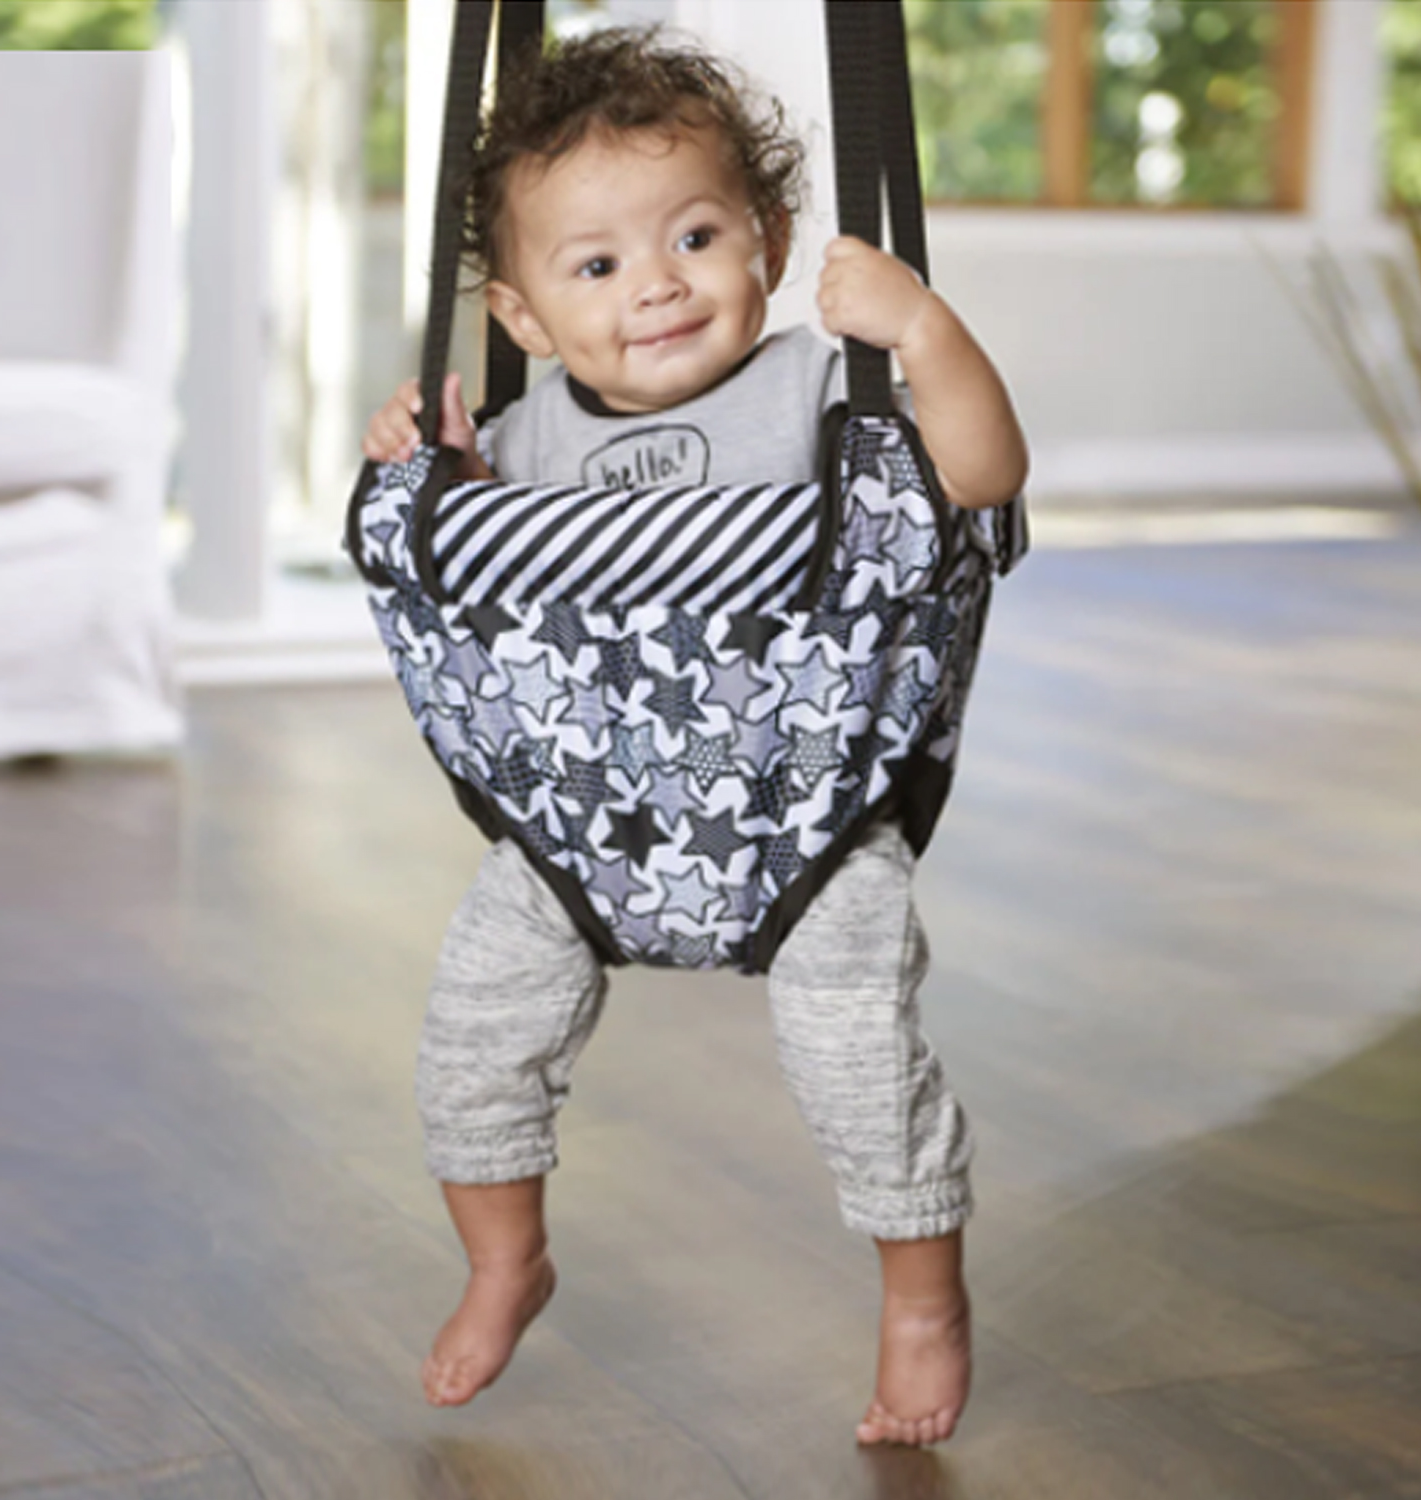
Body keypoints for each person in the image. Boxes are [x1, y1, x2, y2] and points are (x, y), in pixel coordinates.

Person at [361, 27, 1028, 1449]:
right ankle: (504, 1260)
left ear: (769, 242)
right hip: (575, 821)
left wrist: (923, 332)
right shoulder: (523, 442)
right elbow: (450, 562)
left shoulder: (825, 391)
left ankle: (924, 1300)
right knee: (473, 1038)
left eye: (696, 236)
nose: (655, 283)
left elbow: (979, 481)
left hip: (810, 806)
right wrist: (427, 463)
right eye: (596, 265)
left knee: (861, 1051)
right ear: (523, 316)